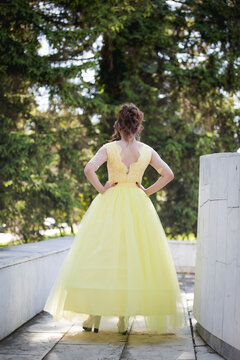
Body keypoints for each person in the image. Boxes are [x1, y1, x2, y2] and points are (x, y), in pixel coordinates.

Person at [43, 103, 188, 335]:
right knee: (132, 257)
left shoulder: (109, 148)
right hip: (138, 205)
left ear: (119, 126)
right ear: (138, 126)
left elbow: (89, 169)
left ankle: (94, 317)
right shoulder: (147, 150)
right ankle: (123, 317)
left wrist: (102, 189)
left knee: (103, 255)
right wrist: (147, 191)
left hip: (110, 203)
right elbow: (168, 174)